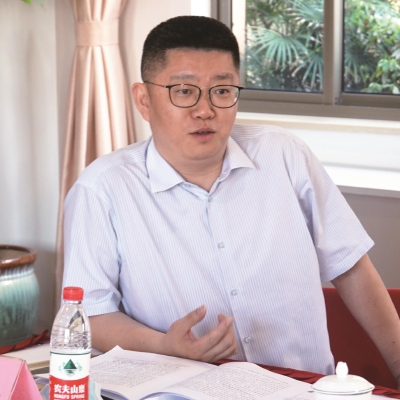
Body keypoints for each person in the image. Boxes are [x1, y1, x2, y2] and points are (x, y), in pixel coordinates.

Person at [62, 15, 400, 385]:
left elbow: (351, 267)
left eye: (222, 91)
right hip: (185, 390)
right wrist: (165, 345)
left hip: (304, 389)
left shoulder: (284, 155)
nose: (205, 110)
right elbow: (90, 314)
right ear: (143, 100)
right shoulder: (103, 189)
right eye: (184, 91)